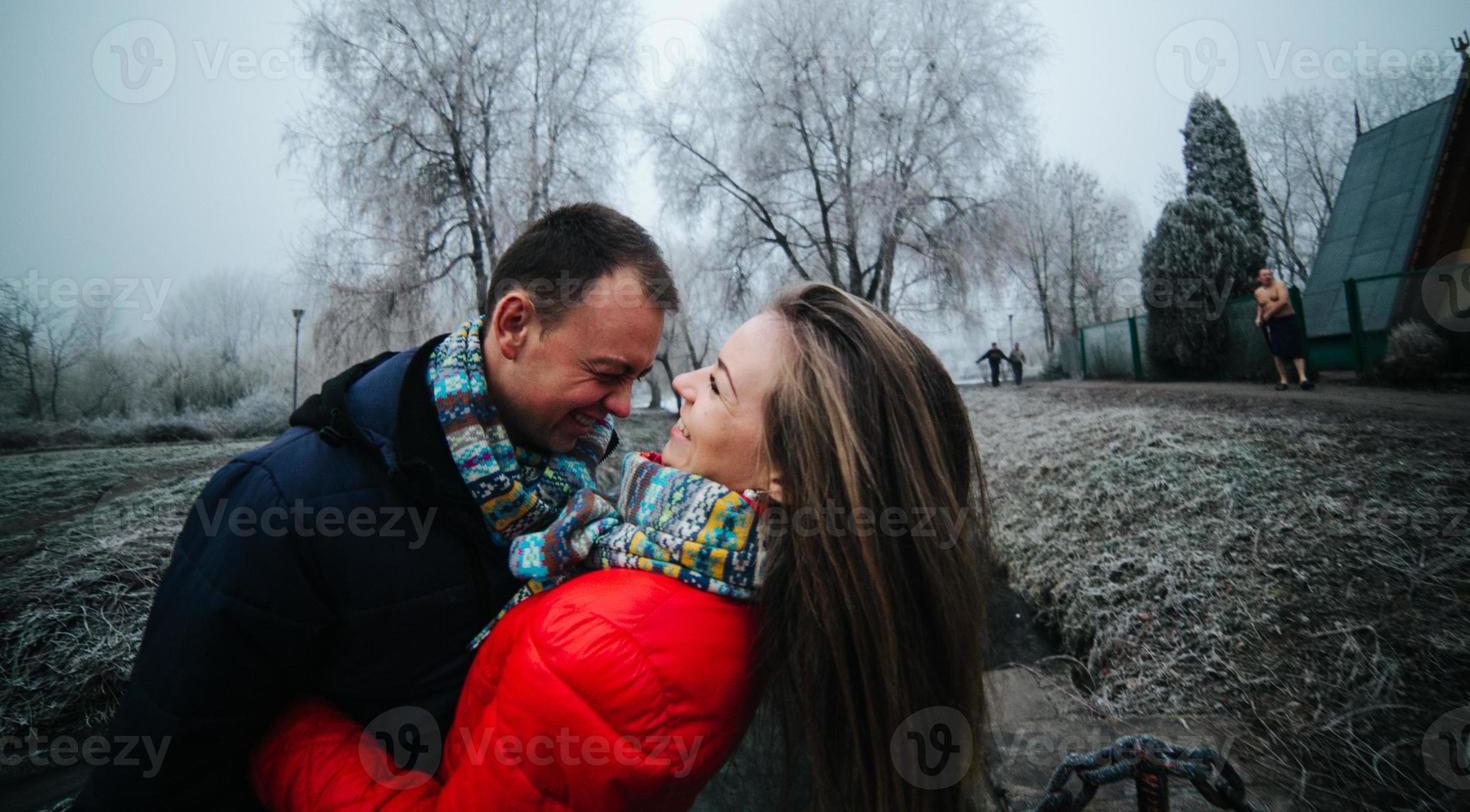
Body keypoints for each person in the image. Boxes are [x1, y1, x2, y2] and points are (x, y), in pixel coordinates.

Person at [250, 283, 992, 812]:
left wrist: (289, 738)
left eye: (720, 385)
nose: (681, 380)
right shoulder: (801, 593)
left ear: (788, 473)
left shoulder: (605, 643)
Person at [75, 203, 677, 811]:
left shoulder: (573, 494)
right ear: (514, 324)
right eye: (607, 373)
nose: (624, 408)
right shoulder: (279, 503)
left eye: (637, 377)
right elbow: (165, 771)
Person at [1253, 267, 1313, 391]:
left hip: (1287, 319)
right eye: (1264, 275)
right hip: (1272, 324)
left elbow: (1283, 301)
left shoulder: (1279, 285)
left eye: (1269, 274)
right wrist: (1258, 317)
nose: (1267, 276)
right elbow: (1260, 305)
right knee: (1277, 351)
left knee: (1295, 348)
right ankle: (1283, 380)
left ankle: (1303, 379)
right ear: (1259, 278)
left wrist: (1268, 313)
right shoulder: (1258, 292)